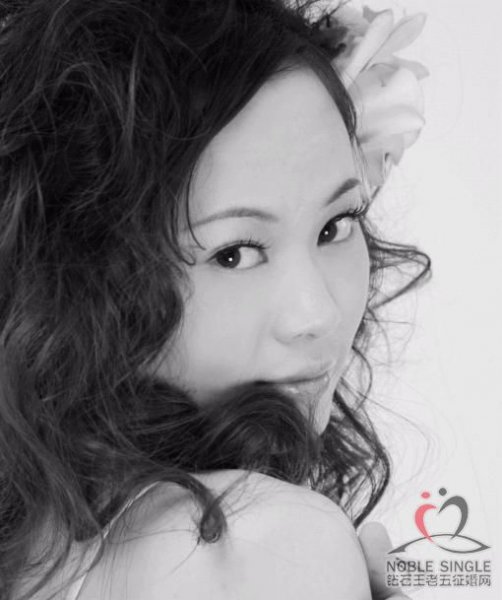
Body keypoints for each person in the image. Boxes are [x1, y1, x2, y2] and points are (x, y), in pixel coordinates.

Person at [0, 0, 431, 598]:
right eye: (234, 254)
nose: (319, 315)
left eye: (335, 225)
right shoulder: (261, 543)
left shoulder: (37, 536)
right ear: (80, 274)